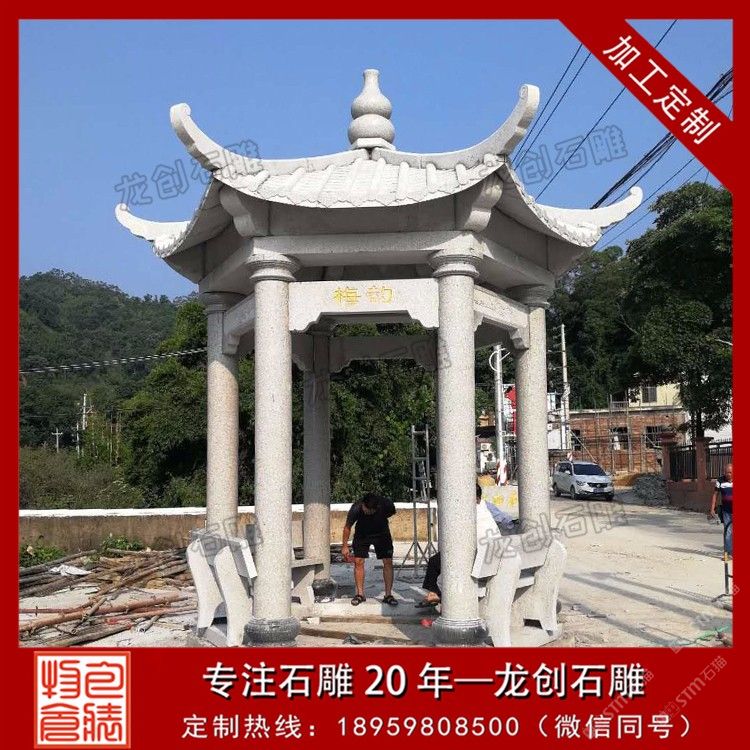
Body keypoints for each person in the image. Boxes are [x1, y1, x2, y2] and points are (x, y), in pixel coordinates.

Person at [415, 483, 513, 608]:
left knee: (435, 562)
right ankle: (434, 594)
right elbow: (507, 522)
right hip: (492, 557)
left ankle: (436, 594)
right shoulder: (487, 506)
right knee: (441, 559)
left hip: (475, 558)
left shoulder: (465, 510)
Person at [342, 493, 398, 606]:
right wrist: (344, 546)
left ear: (377, 507)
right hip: (362, 534)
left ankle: (388, 595)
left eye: (372, 511)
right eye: (367, 510)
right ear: (363, 505)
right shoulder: (356, 508)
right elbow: (347, 527)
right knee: (358, 561)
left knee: (388, 561)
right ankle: (360, 594)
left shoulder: (386, 504)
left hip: (382, 533)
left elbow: (392, 512)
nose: (369, 513)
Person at [709, 462, 733, 556]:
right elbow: (715, 494)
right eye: (726, 472)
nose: (728, 474)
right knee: (728, 531)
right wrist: (712, 509)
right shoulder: (720, 480)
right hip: (726, 511)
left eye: (730, 472)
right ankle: (728, 553)